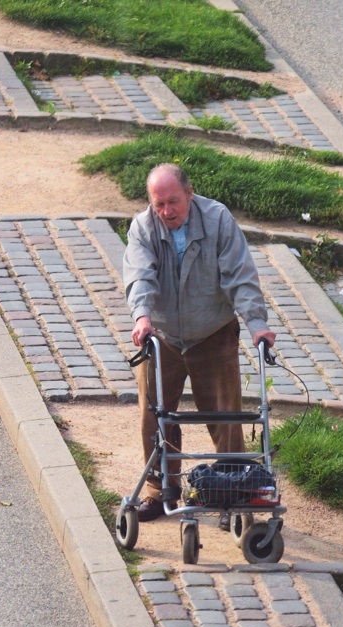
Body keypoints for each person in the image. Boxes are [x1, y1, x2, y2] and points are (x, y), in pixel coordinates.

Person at [123, 163, 276, 523]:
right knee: (155, 415)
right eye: (158, 204)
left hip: (213, 332)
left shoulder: (218, 219)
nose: (166, 211)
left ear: (190, 193)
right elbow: (139, 274)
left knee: (226, 416)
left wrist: (256, 325)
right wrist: (142, 316)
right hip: (162, 335)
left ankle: (231, 493)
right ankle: (160, 492)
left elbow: (241, 275)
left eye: (173, 201)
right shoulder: (143, 227)